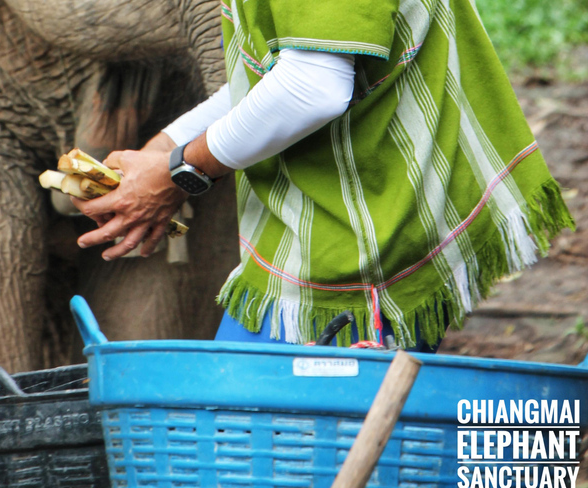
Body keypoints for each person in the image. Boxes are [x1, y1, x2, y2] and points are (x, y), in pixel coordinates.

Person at [71, 0, 574, 349]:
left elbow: (312, 87)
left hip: (370, 233)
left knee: (267, 454)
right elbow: (283, 69)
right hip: (341, 218)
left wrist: (177, 173)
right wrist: (161, 152)